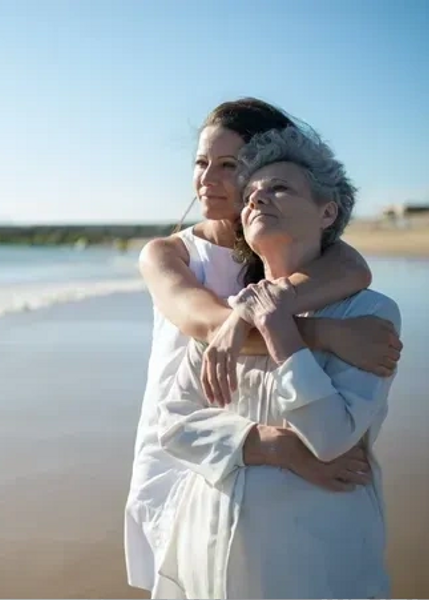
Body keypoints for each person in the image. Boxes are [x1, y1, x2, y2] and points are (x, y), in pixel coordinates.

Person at [124, 98, 402, 594]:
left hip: (269, 473)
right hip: (189, 451)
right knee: (190, 567)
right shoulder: (170, 254)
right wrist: (322, 334)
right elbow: (208, 327)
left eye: (229, 165)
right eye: (201, 162)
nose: (209, 178)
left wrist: (267, 311)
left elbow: (354, 269)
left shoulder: (289, 253)